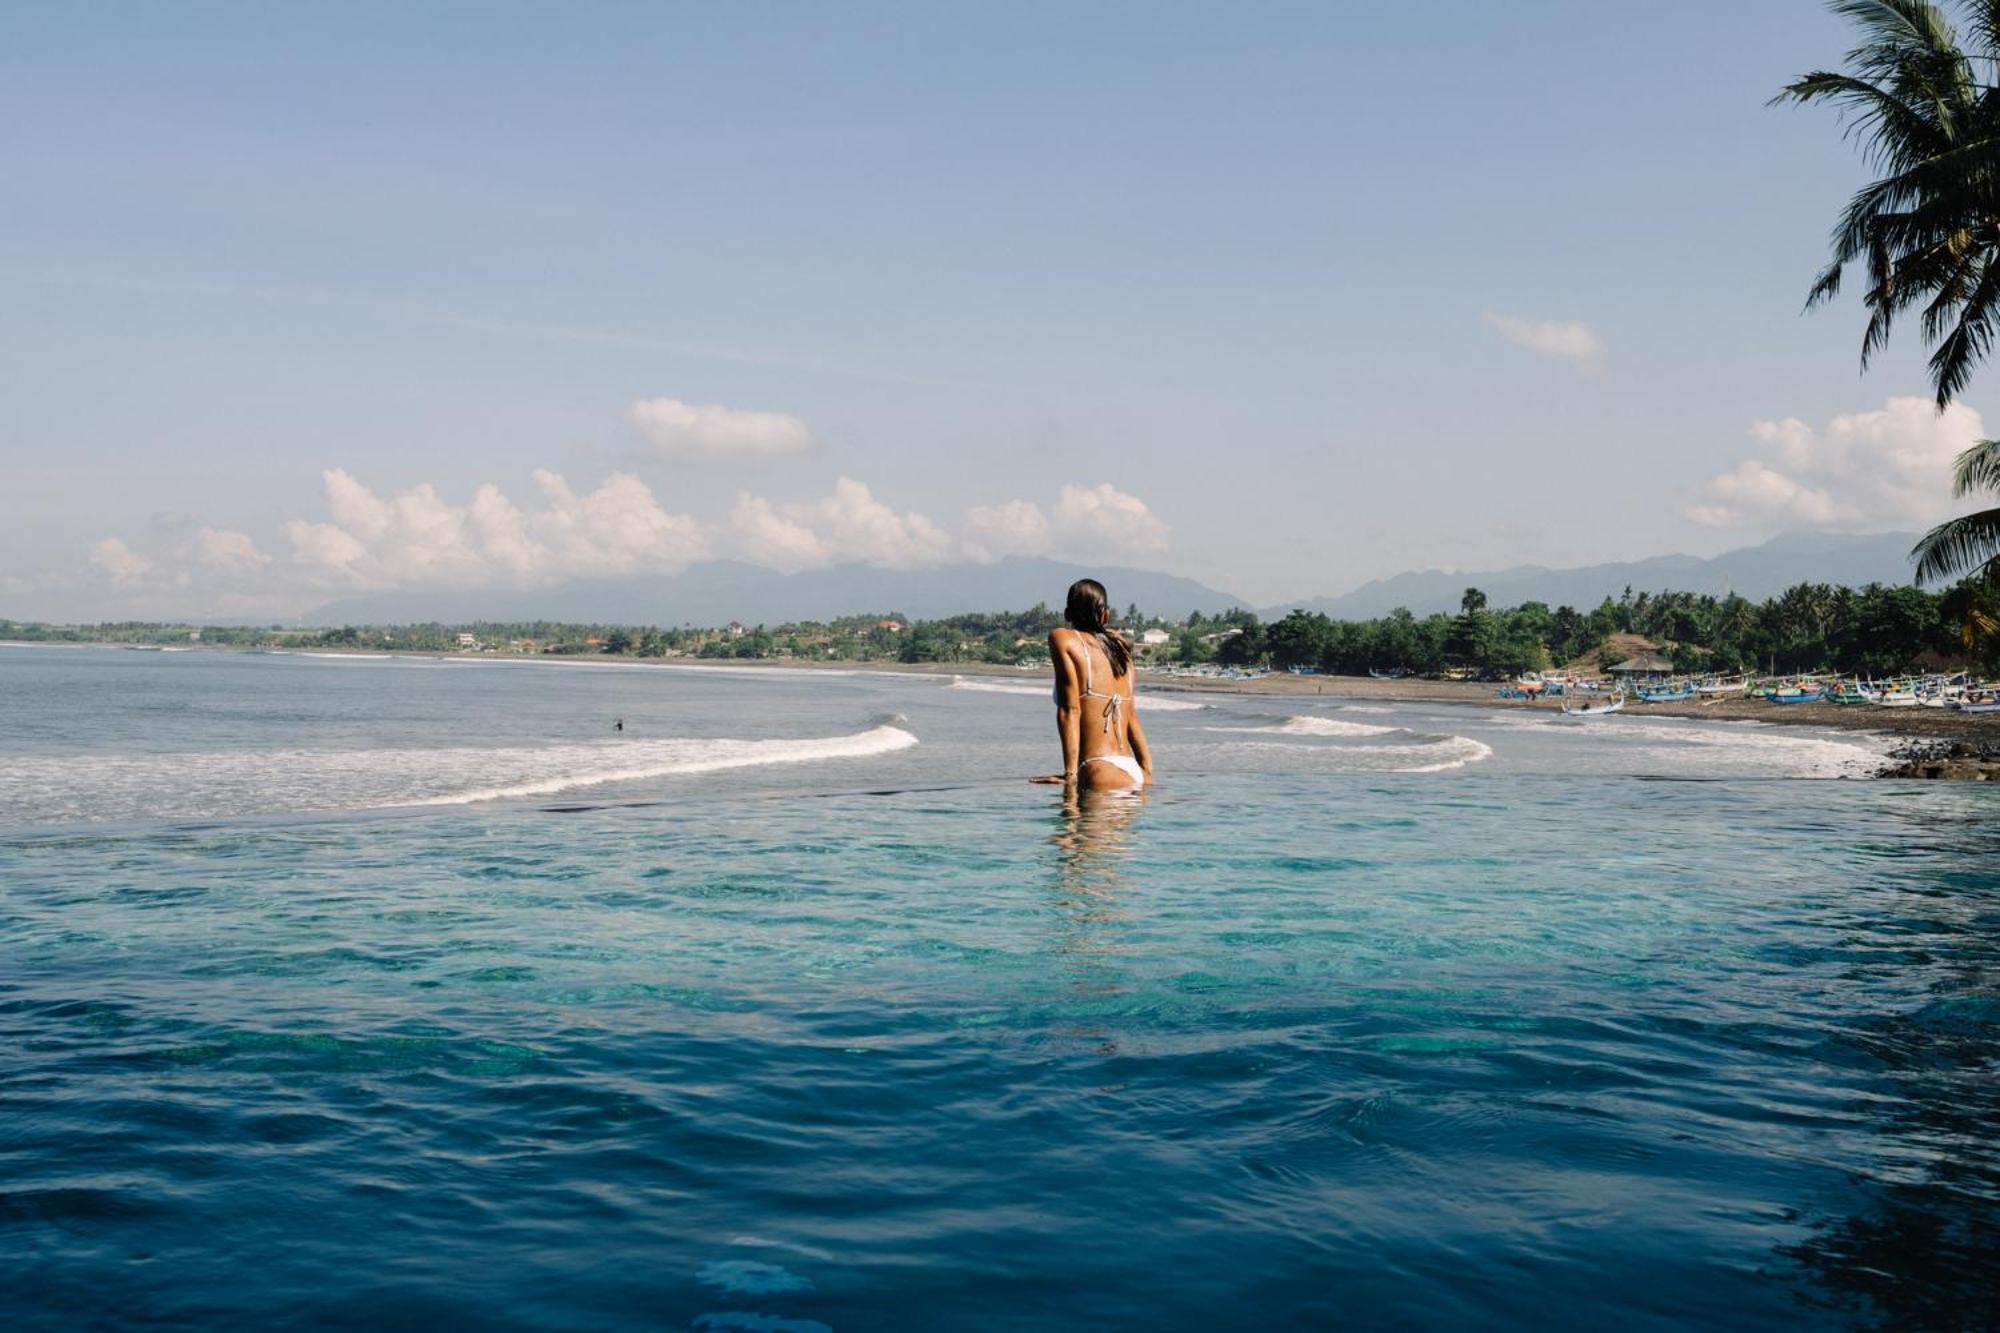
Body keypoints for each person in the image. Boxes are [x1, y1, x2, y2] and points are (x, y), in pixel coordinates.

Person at [1033, 578, 1154, 790]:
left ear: (1067, 614)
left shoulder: (1063, 639)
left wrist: (1070, 775)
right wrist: (1147, 772)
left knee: (1073, 822)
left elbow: (1070, 710)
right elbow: (1131, 715)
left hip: (1098, 768)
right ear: (1105, 615)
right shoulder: (1122, 649)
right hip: (1135, 771)